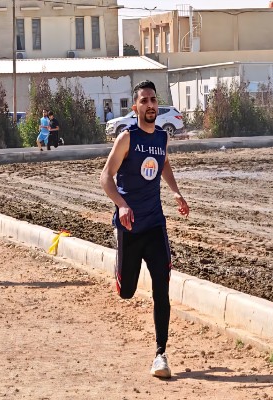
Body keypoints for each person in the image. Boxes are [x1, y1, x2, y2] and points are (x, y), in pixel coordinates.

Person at [100, 80, 189, 379]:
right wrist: (122, 205)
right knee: (127, 292)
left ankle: (161, 354)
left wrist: (175, 192)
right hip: (129, 226)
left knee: (161, 287)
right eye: (144, 101)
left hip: (154, 224)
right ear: (136, 107)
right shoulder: (127, 138)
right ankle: (120, 267)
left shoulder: (162, 137)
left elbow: (163, 164)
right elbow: (106, 177)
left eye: (153, 100)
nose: (150, 105)